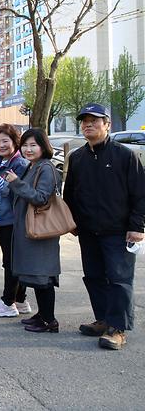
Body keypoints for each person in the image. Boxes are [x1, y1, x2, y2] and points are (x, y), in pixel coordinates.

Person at [65, 103, 145, 350]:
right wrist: (72, 222)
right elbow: (70, 194)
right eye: (85, 121)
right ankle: (103, 320)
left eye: (95, 120)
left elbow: (140, 194)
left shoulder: (125, 155)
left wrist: (137, 226)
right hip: (88, 231)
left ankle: (118, 328)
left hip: (118, 231)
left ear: (107, 124)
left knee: (119, 280)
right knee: (94, 277)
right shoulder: (77, 157)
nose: (88, 124)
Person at [6, 129, 61, 333]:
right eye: (25, 145)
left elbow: (40, 198)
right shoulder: (33, 166)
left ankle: (49, 320)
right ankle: (42, 314)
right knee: (36, 274)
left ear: (43, 146)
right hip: (30, 229)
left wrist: (15, 182)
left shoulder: (46, 168)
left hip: (42, 231)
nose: (28, 149)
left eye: (33, 145)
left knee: (42, 275)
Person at [0, 123, 30, 317]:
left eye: (5, 141)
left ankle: (7, 302)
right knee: (11, 260)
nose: (1, 145)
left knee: (11, 262)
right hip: (1, 218)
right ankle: (20, 300)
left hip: (13, 220)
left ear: (14, 142)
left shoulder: (19, 163)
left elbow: (15, 193)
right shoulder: (0, 160)